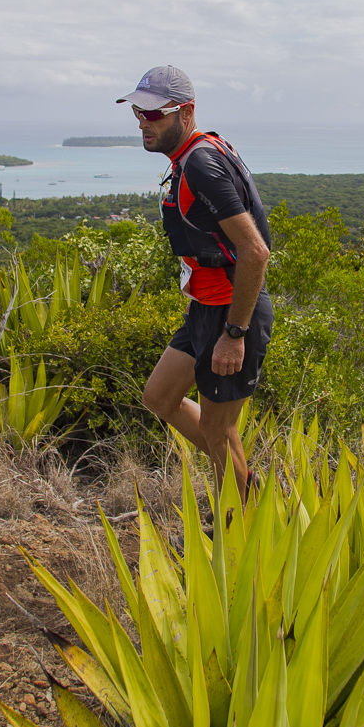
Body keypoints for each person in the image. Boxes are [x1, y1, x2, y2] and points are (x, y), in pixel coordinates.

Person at [120, 65, 272, 498]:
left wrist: (234, 334)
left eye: (154, 114)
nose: (143, 122)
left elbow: (255, 252)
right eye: (137, 112)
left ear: (185, 112)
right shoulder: (191, 156)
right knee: (160, 397)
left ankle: (240, 521)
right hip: (204, 308)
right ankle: (246, 487)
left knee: (219, 431)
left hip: (231, 313)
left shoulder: (202, 163)